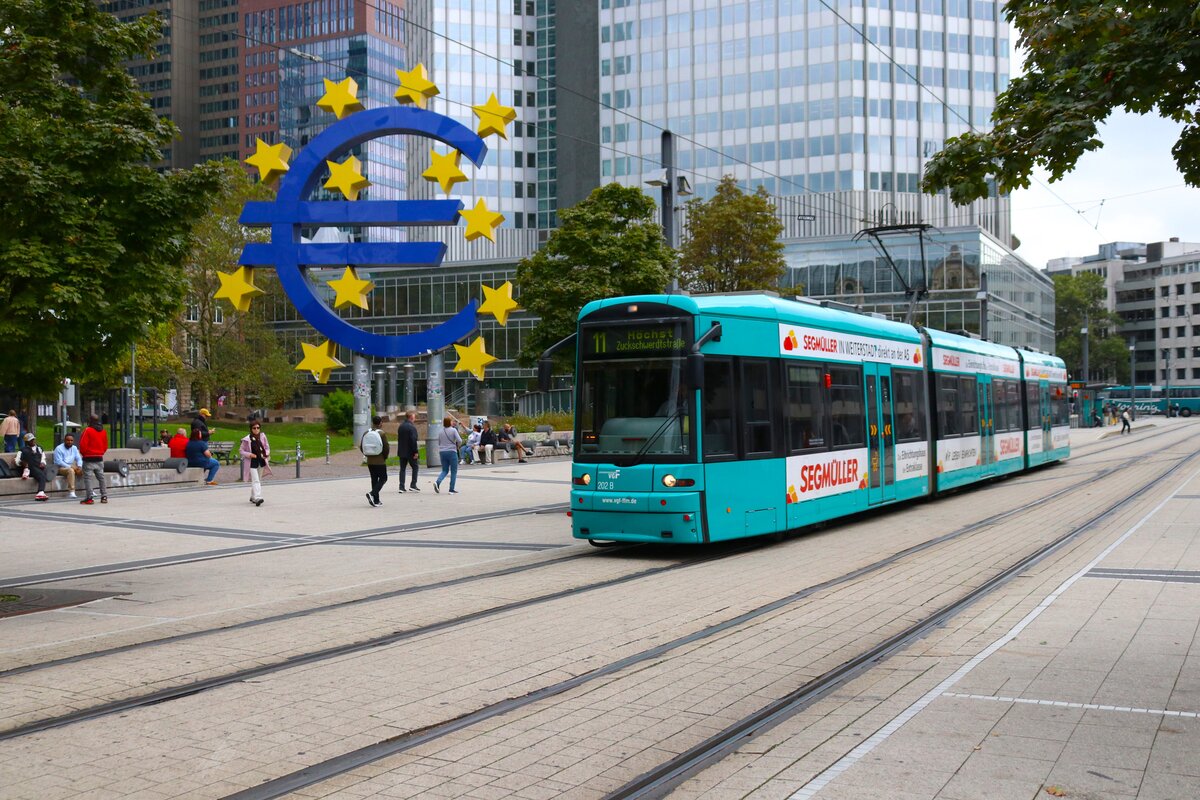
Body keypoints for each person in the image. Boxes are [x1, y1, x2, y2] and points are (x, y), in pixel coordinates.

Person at [79, 414, 109, 504]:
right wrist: (101, 452)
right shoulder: (103, 431)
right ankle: (104, 496)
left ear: (90, 420)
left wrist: (84, 453)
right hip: (99, 458)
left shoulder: (88, 430)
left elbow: (83, 444)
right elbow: (105, 445)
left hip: (88, 458)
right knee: (101, 478)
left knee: (88, 478)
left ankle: (89, 498)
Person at [239, 421, 270, 507]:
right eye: (254, 428)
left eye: (258, 428)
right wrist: (249, 455)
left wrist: (266, 454)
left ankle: (252, 496)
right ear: (251, 429)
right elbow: (241, 451)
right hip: (251, 462)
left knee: (258, 480)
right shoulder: (247, 439)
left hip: (261, 461)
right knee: (256, 480)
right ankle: (257, 497)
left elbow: (267, 447)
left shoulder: (262, 436)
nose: (256, 430)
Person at [361, 414, 389, 506]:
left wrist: (367, 454)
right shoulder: (381, 433)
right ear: (380, 423)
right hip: (380, 461)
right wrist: (384, 457)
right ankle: (372, 493)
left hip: (370, 461)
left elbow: (361, 446)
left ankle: (376, 500)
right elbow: (386, 448)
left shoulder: (366, 433)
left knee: (374, 479)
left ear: (373, 422)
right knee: (383, 478)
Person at [15, 433, 49, 501]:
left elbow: (43, 458)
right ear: (26, 442)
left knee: (41, 474)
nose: (33, 441)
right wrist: (22, 463)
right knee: (41, 475)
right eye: (31, 440)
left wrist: (43, 463)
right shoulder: (22, 450)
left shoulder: (39, 448)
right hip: (29, 466)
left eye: (33, 439)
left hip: (38, 466)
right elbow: (17, 460)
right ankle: (40, 492)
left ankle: (41, 492)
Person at [433, 416, 462, 493]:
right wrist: (457, 445)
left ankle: (437, 482)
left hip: (442, 452)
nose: (452, 422)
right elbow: (459, 440)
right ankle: (451, 489)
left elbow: (439, 442)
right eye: (451, 421)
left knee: (445, 470)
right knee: (453, 471)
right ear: (449, 422)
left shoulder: (440, 431)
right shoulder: (453, 430)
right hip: (452, 452)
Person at [395, 411, 420, 493]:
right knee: (415, 467)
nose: (415, 419)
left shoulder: (401, 426)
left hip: (402, 451)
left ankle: (401, 487)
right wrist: (415, 452)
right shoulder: (412, 427)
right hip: (410, 452)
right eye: (414, 417)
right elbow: (413, 440)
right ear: (411, 418)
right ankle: (413, 485)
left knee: (402, 469)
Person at [53, 432, 84, 499]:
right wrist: (71, 467)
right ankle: (71, 492)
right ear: (64, 440)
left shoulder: (74, 448)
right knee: (71, 470)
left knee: (86, 470)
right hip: (60, 468)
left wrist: (79, 466)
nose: (69, 442)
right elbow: (59, 462)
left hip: (72, 466)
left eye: (71, 440)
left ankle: (89, 490)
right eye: (68, 440)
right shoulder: (58, 448)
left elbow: (79, 458)